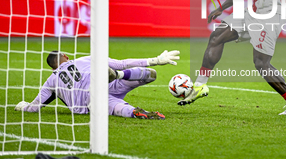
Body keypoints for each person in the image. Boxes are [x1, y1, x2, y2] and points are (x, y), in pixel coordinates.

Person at [15, 50, 180, 119]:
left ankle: (133, 112)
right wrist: (155, 60)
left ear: (52, 67)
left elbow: (35, 106)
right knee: (151, 75)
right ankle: (118, 76)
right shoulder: (84, 59)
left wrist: (23, 106)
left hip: (91, 103)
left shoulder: (51, 81)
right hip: (108, 84)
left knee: (116, 108)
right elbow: (122, 62)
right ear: (65, 56)